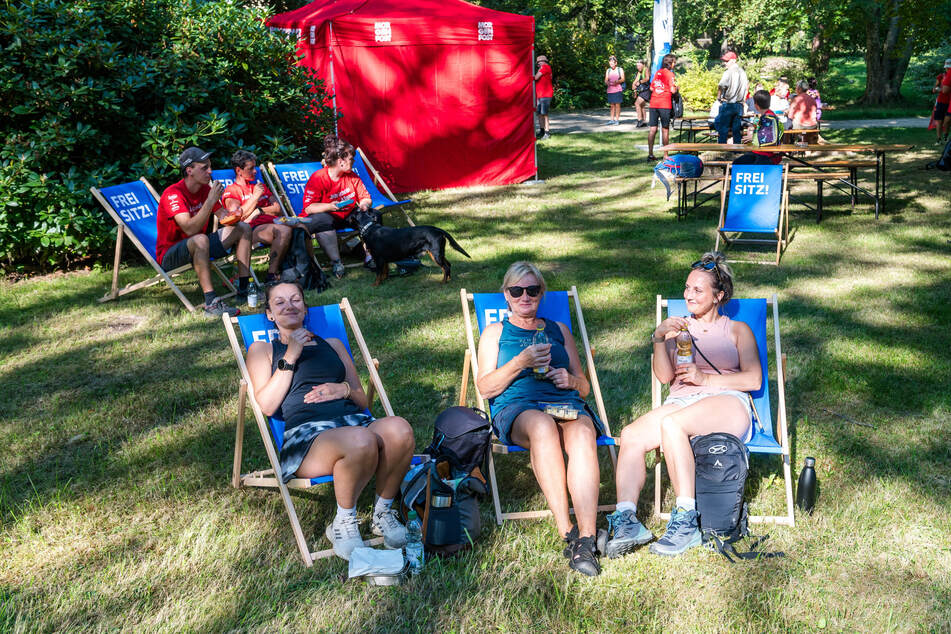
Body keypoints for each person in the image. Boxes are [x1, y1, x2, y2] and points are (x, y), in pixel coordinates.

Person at [604, 252, 761, 558]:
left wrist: (704, 380)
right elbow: (664, 377)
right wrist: (659, 339)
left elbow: (754, 379)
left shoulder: (737, 330)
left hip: (727, 402)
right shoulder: (679, 329)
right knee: (632, 434)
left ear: (719, 296)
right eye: (687, 288)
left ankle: (687, 522)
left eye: (698, 290)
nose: (688, 295)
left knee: (673, 425)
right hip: (682, 400)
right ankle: (627, 520)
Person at [246, 281, 415, 561]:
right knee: (360, 440)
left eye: (295, 299)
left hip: (354, 420)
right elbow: (267, 405)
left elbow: (362, 400)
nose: (289, 305)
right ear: (270, 315)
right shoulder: (263, 350)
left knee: (400, 429)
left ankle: (383, 512)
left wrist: (344, 389)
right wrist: (291, 354)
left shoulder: (333, 344)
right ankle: (343, 523)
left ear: (305, 307)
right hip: (308, 436)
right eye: (279, 302)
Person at [476, 262, 605, 576]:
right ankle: (567, 531)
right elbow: (485, 386)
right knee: (542, 427)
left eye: (532, 290)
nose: (524, 297)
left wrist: (570, 380)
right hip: (519, 407)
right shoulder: (496, 332)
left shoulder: (559, 330)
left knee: (584, 433)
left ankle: (586, 537)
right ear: (506, 295)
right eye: (516, 290)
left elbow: (585, 385)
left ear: (541, 293)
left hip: (564, 403)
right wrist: (520, 362)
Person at [155, 147, 252, 317]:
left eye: (210, 166)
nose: (210, 171)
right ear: (189, 170)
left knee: (243, 228)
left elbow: (223, 217)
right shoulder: (173, 194)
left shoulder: (205, 190)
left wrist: (235, 215)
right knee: (200, 239)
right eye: (204, 168)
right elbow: (189, 228)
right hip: (171, 255)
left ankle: (244, 289)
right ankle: (211, 303)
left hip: (200, 246)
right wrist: (210, 201)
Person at [300, 136, 374, 279]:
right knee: (323, 220)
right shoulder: (318, 178)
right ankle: (337, 262)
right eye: (351, 159)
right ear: (341, 162)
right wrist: (329, 206)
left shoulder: (352, 176)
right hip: (326, 216)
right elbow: (309, 208)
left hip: (346, 214)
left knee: (372, 214)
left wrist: (365, 204)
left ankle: (371, 256)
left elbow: (365, 197)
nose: (353, 162)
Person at [222, 150, 292, 284]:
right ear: (238, 170)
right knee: (284, 231)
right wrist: (255, 197)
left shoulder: (260, 186)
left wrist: (259, 211)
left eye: (255, 167)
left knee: (300, 226)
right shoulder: (232, 191)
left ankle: (305, 270)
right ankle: (272, 275)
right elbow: (236, 217)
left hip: (272, 223)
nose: (255, 171)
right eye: (251, 168)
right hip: (249, 231)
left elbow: (278, 209)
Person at [733, 89, 784, 165]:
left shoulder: (769, 117)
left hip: (767, 154)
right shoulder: (764, 116)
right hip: (759, 151)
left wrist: (752, 138)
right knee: (737, 163)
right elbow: (756, 128)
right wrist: (752, 130)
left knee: (740, 164)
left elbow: (768, 137)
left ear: (756, 105)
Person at [647, 54, 679, 161]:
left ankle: (650, 154)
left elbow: (651, 88)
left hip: (653, 103)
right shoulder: (670, 74)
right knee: (665, 129)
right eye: (674, 62)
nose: (675, 64)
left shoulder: (658, 72)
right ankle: (666, 155)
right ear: (670, 63)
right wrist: (677, 87)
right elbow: (672, 90)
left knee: (652, 129)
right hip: (664, 104)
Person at [713, 51, 748, 144]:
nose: (725, 63)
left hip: (729, 103)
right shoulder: (743, 72)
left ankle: (721, 151)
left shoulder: (728, 72)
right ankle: (736, 151)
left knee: (723, 129)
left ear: (733, 60)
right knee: (736, 130)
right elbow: (746, 88)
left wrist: (718, 97)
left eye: (727, 61)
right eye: (724, 61)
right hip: (739, 104)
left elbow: (721, 85)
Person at [534, 55, 554, 139]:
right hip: (540, 94)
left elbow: (535, 77)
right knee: (539, 114)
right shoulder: (544, 68)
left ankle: (547, 133)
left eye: (539, 62)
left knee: (544, 114)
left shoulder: (545, 67)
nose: (538, 64)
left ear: (543, 61)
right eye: (537, 63)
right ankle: (542, 131)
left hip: (545, 94)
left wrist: (538, 69)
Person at [604, 55, 625, 126]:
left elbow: (623, 79)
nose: (611, 65)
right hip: (610, 89)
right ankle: (612, 120)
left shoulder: (620, 69)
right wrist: (607, 82)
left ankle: (617, 120)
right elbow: (606, 79)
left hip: (618, 89)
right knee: (612, 105)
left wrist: (617, 81)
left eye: (612, 63)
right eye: (610, 63)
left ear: (616, 63)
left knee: (617, 105)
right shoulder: (608, 70)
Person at [934, 59, 951, 144]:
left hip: (949, 101)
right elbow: (934, 89)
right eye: (946, 67)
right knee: (939, 120)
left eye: (949, 68)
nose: (947, 69)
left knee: (947, 121)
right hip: (941, 101)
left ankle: (946, 136)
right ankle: (938, 139)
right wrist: (939, 89)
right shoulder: (941, 76)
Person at [633, 60, 651, 128]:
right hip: (642, 91)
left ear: (643, 65)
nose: (638, 67)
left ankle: (640, 120)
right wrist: (634, 88)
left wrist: (640, 82)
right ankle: (643, 121)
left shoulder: (646, 69)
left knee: (637, 103)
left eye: (640, 65)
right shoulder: (639, 72)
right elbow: (635, 81)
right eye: (637, 66)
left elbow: (647, 78)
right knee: (642, 106)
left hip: (647, 90)